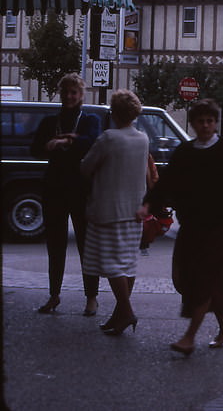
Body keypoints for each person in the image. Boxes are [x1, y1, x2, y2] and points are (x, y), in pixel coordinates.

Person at [139, 99, 223, 356]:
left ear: (216, 122)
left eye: (210, 121)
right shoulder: (185, 152)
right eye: (201, 121)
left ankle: (189, 337)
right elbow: (166, 183)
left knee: (206, 280)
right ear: (193, 124)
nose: (206, 125)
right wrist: (148, 205)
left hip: (220, 228)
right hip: (192, 227)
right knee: (190, 279)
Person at [30, 73, 101, 316]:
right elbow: (35, 148)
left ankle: (91, 297)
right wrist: (50, 144)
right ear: (61, 95)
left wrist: (67, 140)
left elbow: (93, 141)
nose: (69, 97)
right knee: (55, 244)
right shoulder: (51, 121)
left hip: (82, 189)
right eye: (66, 93)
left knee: (86, 245)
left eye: (74, 92)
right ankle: (54, 295)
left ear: (81, 95)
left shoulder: (89, 119)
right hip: (55, 188)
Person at [79, 89, 150, 336]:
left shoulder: (108, 138)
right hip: (134, 210)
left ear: (114, 113)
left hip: (107, 210)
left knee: (111, 265)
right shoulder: (143, 139)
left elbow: (85, 168)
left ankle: (127, 311)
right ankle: (119, 315)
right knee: (127, 264)